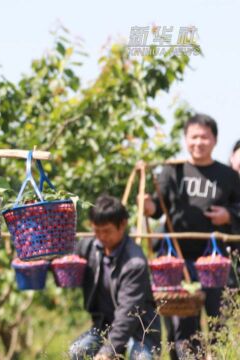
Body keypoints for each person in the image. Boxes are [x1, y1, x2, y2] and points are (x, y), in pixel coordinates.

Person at [143, 114, 240, 358]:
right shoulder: (171, 171)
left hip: (216, 263)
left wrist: (228, 215)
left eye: (204, 137)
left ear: (215, 140)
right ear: (186, 139)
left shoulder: (228, 176)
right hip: (178, 263)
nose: (199, 142)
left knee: (220, 323)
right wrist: (147, 205)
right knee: (183, 329)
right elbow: (157, 208)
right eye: (194, 137)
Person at [70, 195, 161, 360]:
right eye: (96, 230)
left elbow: (128, 314)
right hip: (104, 328)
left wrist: (108, 351)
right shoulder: (90, 247)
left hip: (140, 331)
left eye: (107, 231)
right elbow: (66, 258)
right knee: (78, 351)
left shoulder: (135, 263)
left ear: (123, 225)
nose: (101, 237)